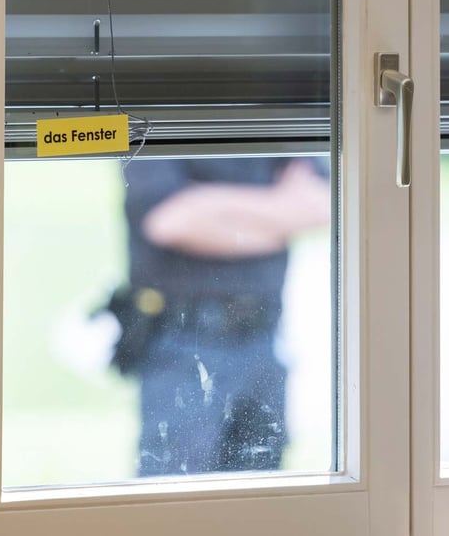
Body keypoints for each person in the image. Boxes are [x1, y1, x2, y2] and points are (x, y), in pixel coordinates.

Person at [112, 156, 330, 476]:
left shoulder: (272, 111)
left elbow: (322, 204)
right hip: (183, 341)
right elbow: (171, 221)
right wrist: (278, 214)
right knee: (174, 502)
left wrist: (210, 205)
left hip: (264, 339)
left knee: (261, 501)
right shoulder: (157, 115)